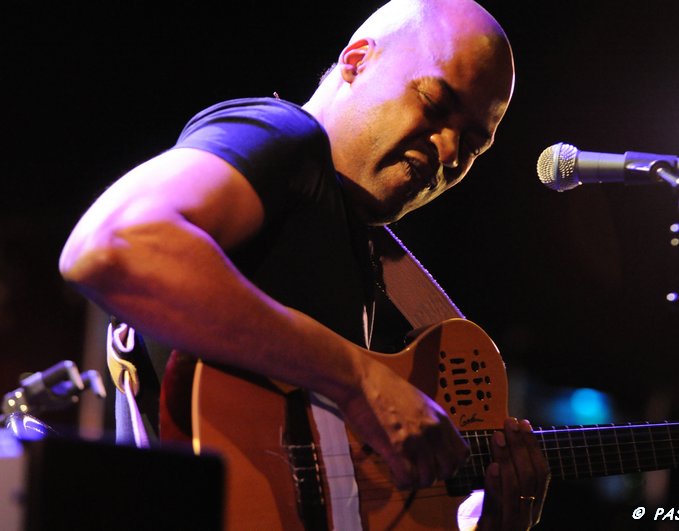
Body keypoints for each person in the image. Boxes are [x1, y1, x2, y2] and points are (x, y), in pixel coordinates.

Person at [59, 0, 550, 528]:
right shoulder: (282, 139)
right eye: (434, 103)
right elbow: (113, 245)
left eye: (474, 144)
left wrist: (499, 519)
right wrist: (359, 380)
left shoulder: (362, 253)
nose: (449, 150)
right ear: (358, 60)